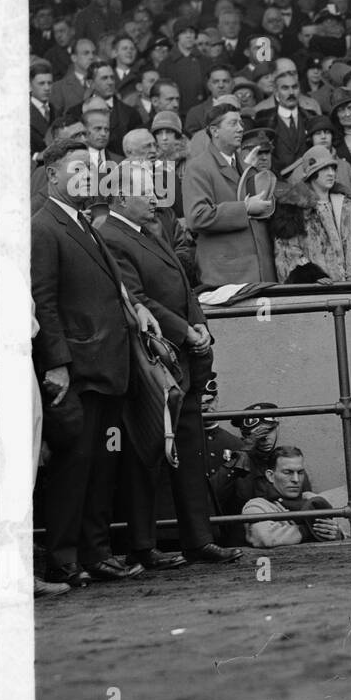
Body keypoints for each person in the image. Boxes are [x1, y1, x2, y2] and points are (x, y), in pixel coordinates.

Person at [31, 137, 161, 585]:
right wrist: (56, 364)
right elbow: (43, 303)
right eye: (77, 168)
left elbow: (112, 288)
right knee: (75, 467)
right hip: (79, 370)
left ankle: (96, 552)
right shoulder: (44, 227)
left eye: (91, 168)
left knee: (102, 466)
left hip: (107, 367)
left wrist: (136, 307)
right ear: (52, 174)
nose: (87, 176)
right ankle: (64, 558)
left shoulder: (84, 224)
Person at [100, 182, 241, 566]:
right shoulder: (109, 236)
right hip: (151, 365)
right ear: (120, 199)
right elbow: (137, 300)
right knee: (146, 454)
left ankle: (199, 539)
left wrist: (201, 327)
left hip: (184, 360)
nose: (154, 198)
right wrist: (185, 331)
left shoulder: (151, 229)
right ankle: (143, 547)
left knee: (190, 453)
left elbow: (185, 288)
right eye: (144, 192)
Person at [182, 105, 277, 285]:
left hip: (261, 273)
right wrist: (245, 208)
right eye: (233, 123)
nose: (241, 128)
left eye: (241, 123)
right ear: (214, 131)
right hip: (227, 277)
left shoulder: (245, 165)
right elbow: (197, 217)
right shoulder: (198, 167)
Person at [270, 144, 351, 282]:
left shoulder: (347, 205)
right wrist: (313, 277)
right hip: (319, 291)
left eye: (333, 168)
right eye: (324, 168)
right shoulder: (293, 209)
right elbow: (288, 252)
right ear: (312, 173)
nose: (331, 173)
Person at [242, 447, 344, 547]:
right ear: (270, 476)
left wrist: (337, 534)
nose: (296, 479)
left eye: (300, 473)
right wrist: (310, 530)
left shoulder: (313, 501)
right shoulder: (257, 506)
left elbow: (342, 535)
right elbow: (264, 537)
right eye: (287, 472)